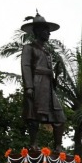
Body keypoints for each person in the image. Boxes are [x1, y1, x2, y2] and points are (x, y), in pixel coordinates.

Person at [21, 13, 66, 150]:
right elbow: (26, 66)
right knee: (34, 115)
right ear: (37, 31)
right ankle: (33, 144)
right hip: (36, 83)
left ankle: (58, 147)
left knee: (59, 117)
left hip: (48, 85)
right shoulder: (29, 48)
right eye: (46, 31)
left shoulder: (48, 52)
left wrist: (54, 76)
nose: (48, 34)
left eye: (48, 31)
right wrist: (29, 86)